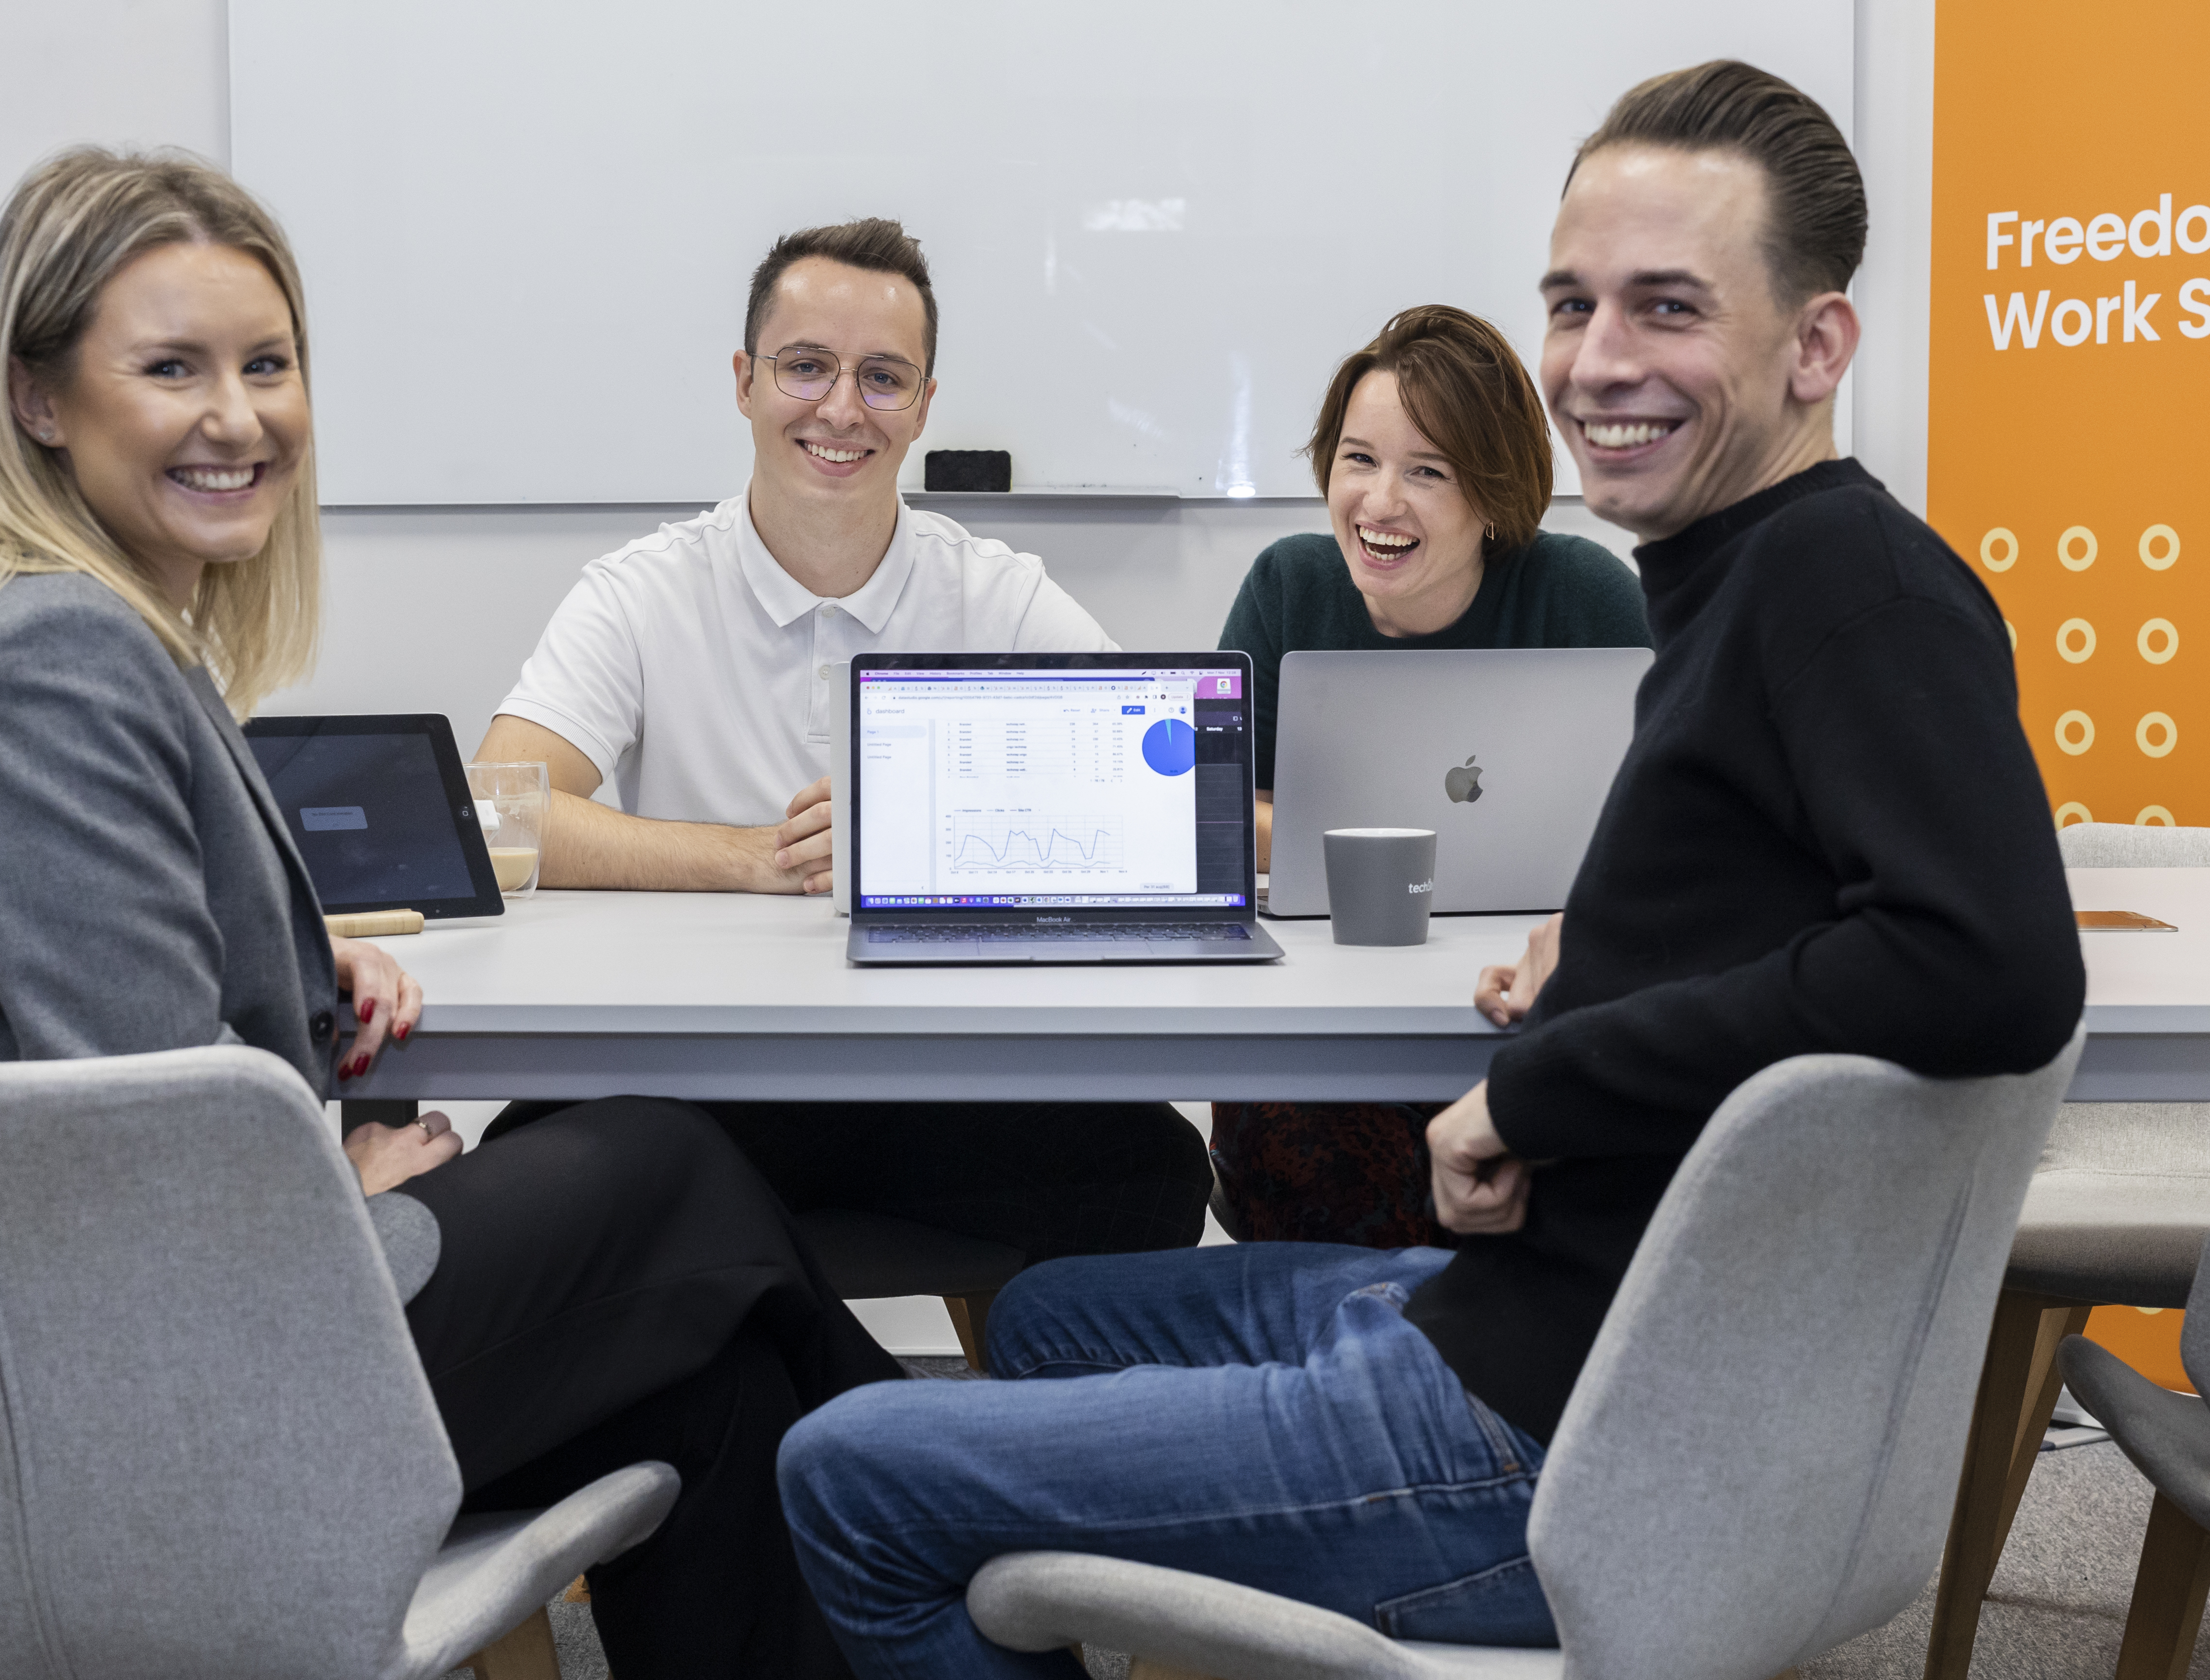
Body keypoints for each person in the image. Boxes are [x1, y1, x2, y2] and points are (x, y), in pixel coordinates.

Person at [776, 60, 2086, 1677]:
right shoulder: (1743, 582)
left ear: (1818, 344)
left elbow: (1992, 960)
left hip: (1555, 1437)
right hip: (1561, 1320)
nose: (1598, 361)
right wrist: (1600, 967)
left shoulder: (1845, 588)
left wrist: (1538, 1089)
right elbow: (1806, 920)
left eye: (1667, 307)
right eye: (1574, 303)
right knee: (1056, 1313)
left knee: (846, 1470)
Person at [0, 147, 901, 1680]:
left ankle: (917, 1504)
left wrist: (271, 956)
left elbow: (117, 1010)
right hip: (157, 1402)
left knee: (718, 1387)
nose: (239, 415)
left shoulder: (108, 636)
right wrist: (341, 1181)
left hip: (190, 1337)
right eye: (173, 367)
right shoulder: (53, 663)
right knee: (665, 1156)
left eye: (266, 364)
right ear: (37, 396)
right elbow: (153, 1149)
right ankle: (952, 1493)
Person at [476, 218, 1209, 1267]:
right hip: (702, 1074)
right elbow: (500, 806)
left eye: (881, 377)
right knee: (545, 1183)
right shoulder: (643, 591)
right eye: (805, 367)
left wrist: (931, 835)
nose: (839, 409)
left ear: (923, 407)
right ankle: (851, 1407)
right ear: (743, 380)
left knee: (1154, 1178)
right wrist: (758, 859)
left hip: (942, 1080)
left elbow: (1172, 790)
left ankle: (918, 1413)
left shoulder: (997, 594)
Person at [1211, 304, 1650, 1248]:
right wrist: (1362, 842)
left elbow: (1665, 827)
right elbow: (1211, 807)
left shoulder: (1586, 597)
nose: (1378, 502)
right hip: (1328, 1016)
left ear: (1492, 493)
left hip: (1528, 1015)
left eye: (1428, 471)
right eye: (1358, 458)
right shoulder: (1289, 585)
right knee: (1290, 1150)